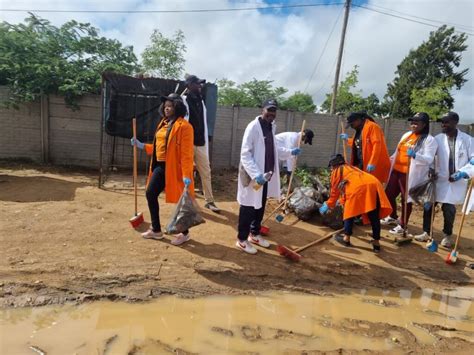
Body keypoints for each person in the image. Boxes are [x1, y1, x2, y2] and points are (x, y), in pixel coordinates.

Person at [236, 99, 301, 254]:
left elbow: (274, 148)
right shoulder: (253, 127)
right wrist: (256, 174)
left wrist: (290, 152)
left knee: (260, 206)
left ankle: (255, 234)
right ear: (262, 110)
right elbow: (245, 154)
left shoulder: (271, 127)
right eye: (269, 110)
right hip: (253, 176)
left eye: (274, 111)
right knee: (248, 207)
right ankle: (241, 240)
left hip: (266, 176)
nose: (271, 114)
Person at [131, 93, 195, 246]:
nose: (167, 108)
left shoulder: (185, 127)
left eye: (171, 105)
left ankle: (184, 233)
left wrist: (187, 174)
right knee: (150, 193)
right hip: (160, 166)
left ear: (177, 107)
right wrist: (142, 146)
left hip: (175, 168)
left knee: (181, 202)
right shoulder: (163, 123)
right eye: (165, 105)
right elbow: (159, 147)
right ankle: (156, 229)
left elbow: (187, 153)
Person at [319, 154, 392, 253]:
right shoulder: (351, 167)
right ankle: (376, 243)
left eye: (331, 167)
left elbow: (334, 192)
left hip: (359, 189)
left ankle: (346, 238)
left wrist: (328, 204)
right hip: (373, 184)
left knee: (349, 213)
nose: (331, 169)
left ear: (333, 165)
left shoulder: (337, 172)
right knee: (374, 215)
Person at [421, 112, 473, 247]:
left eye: (446, 122)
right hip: (439, 180)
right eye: (442, 122)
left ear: (455, 122)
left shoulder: (467, 140)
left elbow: (473, 159)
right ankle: (426, 232)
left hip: (456, 182)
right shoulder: (437, 139)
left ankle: (447, 235)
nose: (443, 125)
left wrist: (463, 172)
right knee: (429, 206)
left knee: (449, 209)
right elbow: (431, 157)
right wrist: (431, 170)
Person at [381, 112, 438, 236]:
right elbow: (398, 151)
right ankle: (393, 216)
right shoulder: (407, 135)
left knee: (406, 199)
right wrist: (388, 160)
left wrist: (415, 155)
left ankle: (402, 225)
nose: (413, 124)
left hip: (410, 174)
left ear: (424, 124)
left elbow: (429, 159)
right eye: (412, 122)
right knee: (388, 194)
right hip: (396, 171)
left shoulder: (429, 140)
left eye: (416, 122)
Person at [182, 74, 220, 213]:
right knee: (186, 174)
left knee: (206, 172)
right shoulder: (183, 100)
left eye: (200, 84)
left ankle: (209, 201)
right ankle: (187, 202)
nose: (200, 86)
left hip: (201, 143)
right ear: (189, 85)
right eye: (197, 84)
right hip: (188, 143)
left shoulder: (201, 101)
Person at [340, 111, 390, 184]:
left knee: (372, 185)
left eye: (352, 124)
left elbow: (377, 145)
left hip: (373, 165)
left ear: (358, 120)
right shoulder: (359, 130)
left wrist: (372, 162)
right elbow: (358, 144)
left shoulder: (372, 127)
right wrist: (347, 139)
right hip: (360, 163)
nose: (351, 126)